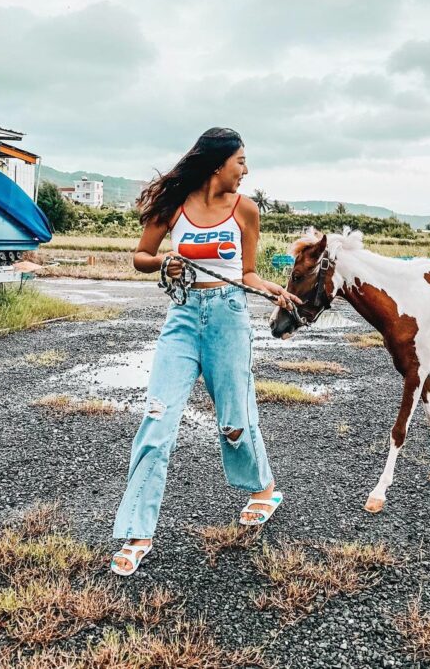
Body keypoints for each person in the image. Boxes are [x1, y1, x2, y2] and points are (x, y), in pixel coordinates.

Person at [110, 127, 301, 576]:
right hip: (182, 317)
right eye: (240, 162)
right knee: (157, 420)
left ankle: (264, 489)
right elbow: (140, 256)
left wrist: (272, 289)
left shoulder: (246, 210)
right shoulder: (175, 205)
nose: (246, 170)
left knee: (235, 419)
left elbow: (248, 273)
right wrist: (164, 261)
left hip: (229, 319)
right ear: (218, 164)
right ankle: (138, 532)